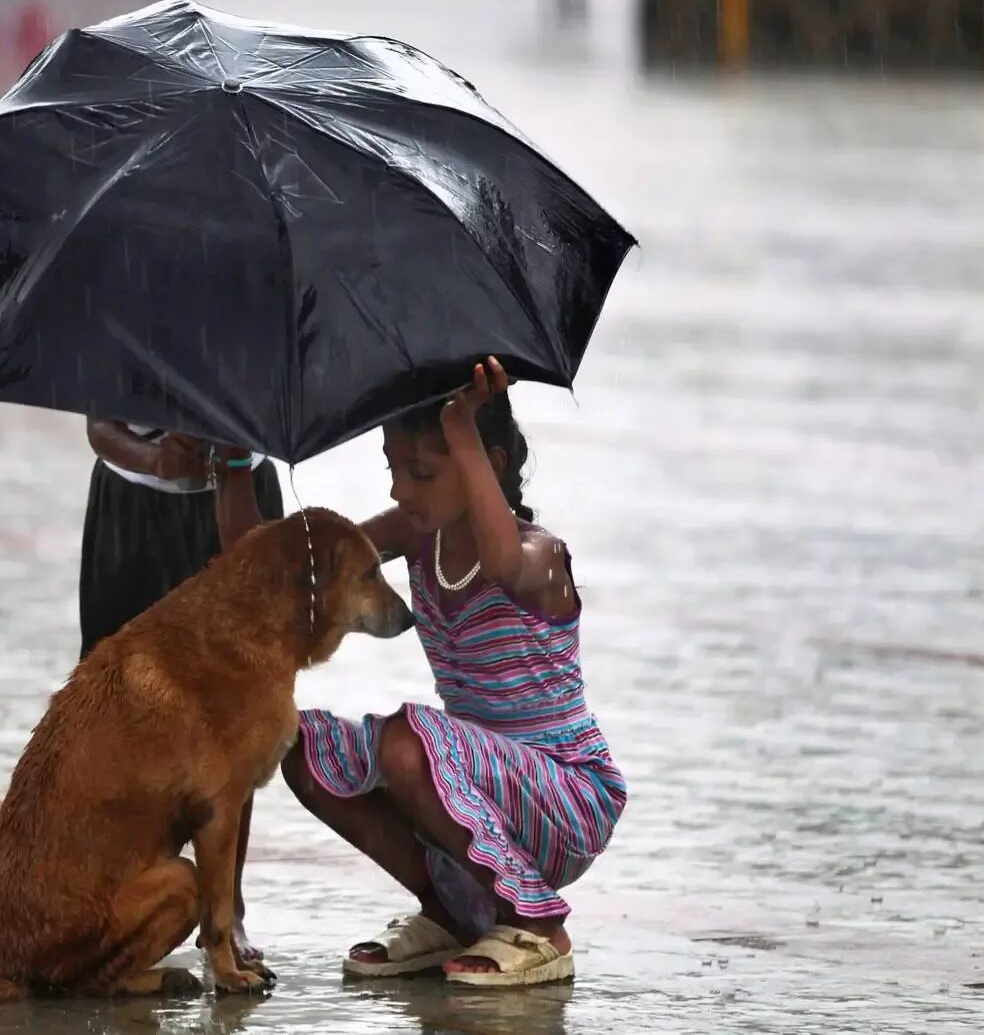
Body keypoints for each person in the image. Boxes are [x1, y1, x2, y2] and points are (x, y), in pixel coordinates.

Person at [211, 357, 626, 987]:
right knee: (296, 742)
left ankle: (540, 926)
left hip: (564, 797)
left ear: (490, 464)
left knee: (409, 742)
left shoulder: (538, 556)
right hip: (464, 790)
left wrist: (461, 425)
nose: (402, 491)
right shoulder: (415, 532)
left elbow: (501, 559)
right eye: (394, 470)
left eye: (422, 472)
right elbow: (268, 571)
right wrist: (233, 463)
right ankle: (450, 912)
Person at [79, 418, 286, 959]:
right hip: (132, 504)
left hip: (240, 491)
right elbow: (99, 424)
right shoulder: (123, 328)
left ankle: (227, 908)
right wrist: (152, 459)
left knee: (239, 716)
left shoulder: (254, 331)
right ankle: (119, 901)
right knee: (118, 712)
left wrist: (234, 450)